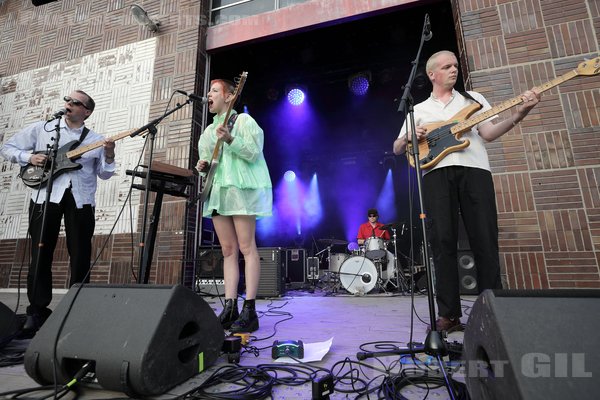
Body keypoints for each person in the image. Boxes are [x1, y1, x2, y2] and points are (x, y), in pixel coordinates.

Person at [393, 50, 540, 332]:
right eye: (446, 67)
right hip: (436, 174)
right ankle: (449, 314)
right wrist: (410, 136)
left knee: (485, 237)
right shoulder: (420, 109)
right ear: (432, 74)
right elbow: (398, 147)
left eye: (455, 66)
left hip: (475, 171)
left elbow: (488, 133)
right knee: (442, 242)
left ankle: (494, 308)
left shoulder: (474, 101)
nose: (453, 70)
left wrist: (521, 111)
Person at [0, 90, 116, 333]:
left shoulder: (95, 138)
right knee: (41, 252)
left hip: (81, 200)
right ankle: (38, 311)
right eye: (67, 100)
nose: (68, 104)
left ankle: (78, 309)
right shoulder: (44, 128)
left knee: (81, 254)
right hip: (45, 195)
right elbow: (8, 148)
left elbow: (105, 174)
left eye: (75, 102)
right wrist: (29, 157)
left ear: (87, 111)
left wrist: (108, 153)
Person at [196, 78, 272, 333]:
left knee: (246, 247)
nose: (209, 95)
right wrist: (201, 166)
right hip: (219, 193)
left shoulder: (243, 121)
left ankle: (249, 308)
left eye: (215, 91)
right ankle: (230, 306)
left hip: (240, 190)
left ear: (229, 96)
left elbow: (254, 152)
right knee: (227, 250)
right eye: (209, 91)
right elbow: (207, 160)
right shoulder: (208, 132)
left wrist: (230, 139)